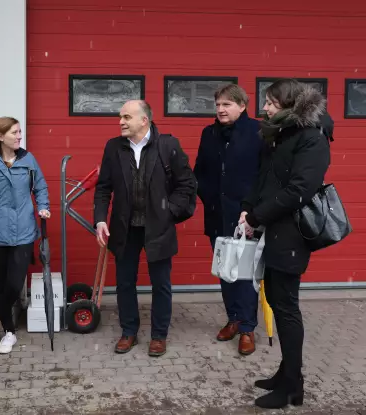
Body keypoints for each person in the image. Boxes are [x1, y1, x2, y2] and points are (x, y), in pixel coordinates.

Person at [240, 79, 332, 408]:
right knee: (278, 301)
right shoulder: (279, 135)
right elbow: (264, 178)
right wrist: (248, 209)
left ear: (289, 104)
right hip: (273, 229)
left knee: (287, 306)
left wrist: (257, 217)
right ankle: (286, 372)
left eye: (270, 102)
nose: (263, 108)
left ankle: (293, 387)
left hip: (291, 233)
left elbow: (299, 190)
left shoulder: (313, 137)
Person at [94, 100, 197, 356]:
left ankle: (159, 336)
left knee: (161, 284)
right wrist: (100, 219)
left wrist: (169, 212)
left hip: (157, 228)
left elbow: (187, 184)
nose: (121, 121)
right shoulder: (114, 147)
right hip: (124, 227)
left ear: (144, 120)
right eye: (120, 116)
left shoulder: (168, 145)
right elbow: (103, 187)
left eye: (127, 117)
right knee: (124, 283)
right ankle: (128, 332)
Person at [193, 84, 264, 355]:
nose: (221, 110)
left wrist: (252, 210)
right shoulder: (209, 133)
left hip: (246, 217)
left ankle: (247, 328)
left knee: (245, 274)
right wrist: (208, 198)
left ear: (242, 106)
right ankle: (233, 319)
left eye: (227, 104)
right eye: (218, 105)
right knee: (226, 271)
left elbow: (263, 175)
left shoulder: (257, 132)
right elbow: (200, 170)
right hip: (216, 214)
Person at [0, 117, 50, 354]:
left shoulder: (28, 161)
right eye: (14, 132)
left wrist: (43, 205)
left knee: (15, 285)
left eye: (20, 132)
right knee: (1, 286)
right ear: (0, 136)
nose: (19, 136)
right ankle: (9, 332)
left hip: (24, 232)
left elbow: (41, 187)